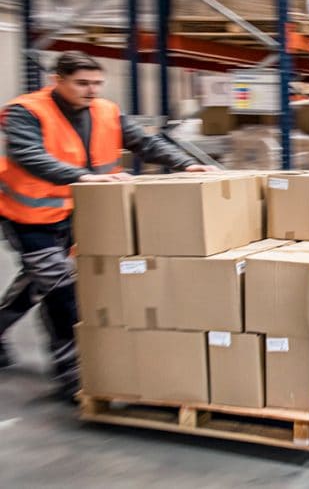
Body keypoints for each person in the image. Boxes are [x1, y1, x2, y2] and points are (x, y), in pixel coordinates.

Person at [0, 51, 217, 398]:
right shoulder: (26, 111)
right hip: (28, 216)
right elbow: (29, 155)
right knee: (61, 287)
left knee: (37, 282)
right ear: (58, 80)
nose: (91, 91)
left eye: (97, 83)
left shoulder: (106, 111)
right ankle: (74, 372)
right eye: (82, 83)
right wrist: (81, 176)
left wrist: (185, 164)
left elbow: (145, 142)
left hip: (77, 212)